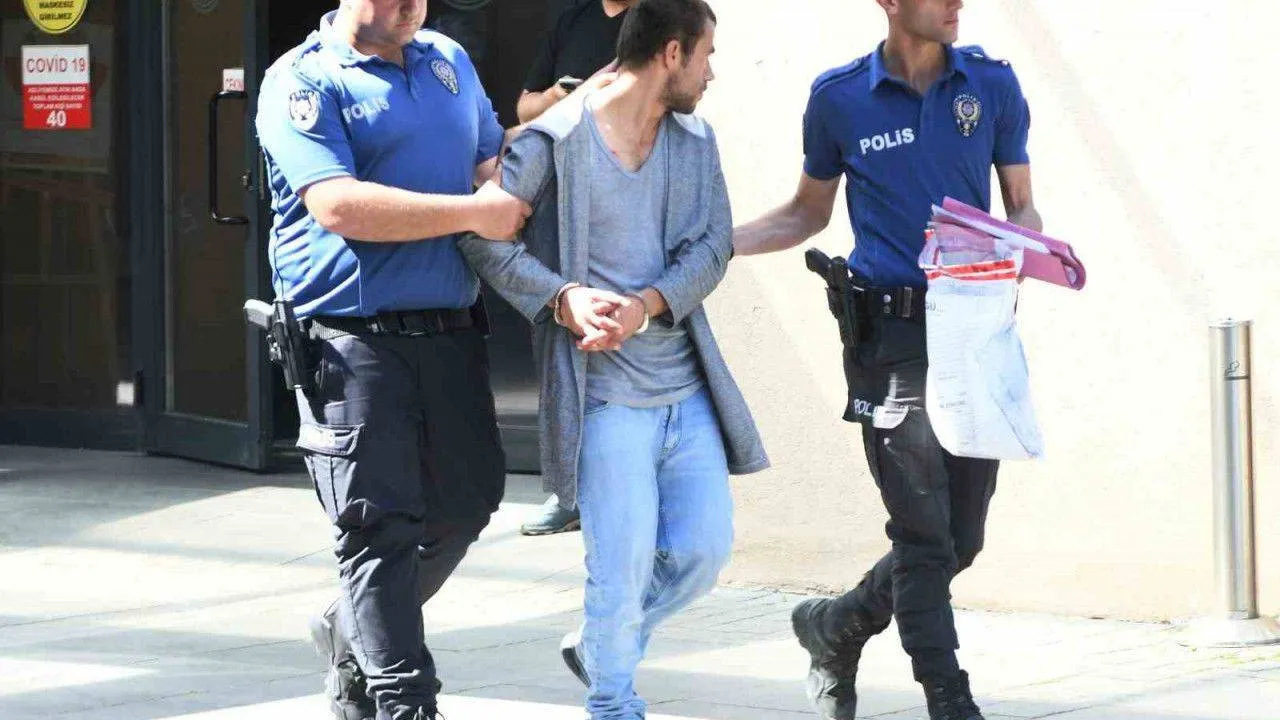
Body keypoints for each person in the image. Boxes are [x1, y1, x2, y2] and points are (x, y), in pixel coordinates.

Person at [732, 2, 1041, 719]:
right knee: (922, 535)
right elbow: (806, 212)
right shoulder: (839, 98)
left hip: (971, 331)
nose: (957, 3)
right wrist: (720, 242)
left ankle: (836, 625)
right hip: (890, 338)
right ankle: (948, 697)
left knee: (959, 538)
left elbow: (1022, 206)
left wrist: (1023, 248)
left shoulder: (991, 85)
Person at [459, 2, 768, 717]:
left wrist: (648, 304)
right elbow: (481, 236)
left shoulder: (695, 141)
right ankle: (612, 698)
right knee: (619, 567)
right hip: (601, 394)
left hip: (684, 386)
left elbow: (713, 246)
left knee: (701, 554)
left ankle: (602, 644)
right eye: (706, 55)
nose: (712, 73)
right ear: (670, 53)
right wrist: (561, 297)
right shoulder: (554, 141)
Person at [254, 2, 530, 719]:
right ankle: (403, 701)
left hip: (449, 331)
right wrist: (472, 211)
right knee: (379, 528)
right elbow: (340, 205)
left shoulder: (446, 59)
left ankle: (351, 627)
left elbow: (490, 163)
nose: (412, 5)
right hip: (351, 341)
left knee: (466, 505)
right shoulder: (303, 79)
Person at [515, 0, 634, 535]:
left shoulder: (660, 14)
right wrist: (561, 97)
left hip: (626, 193)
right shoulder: (573, 19)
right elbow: (525, 108)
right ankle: (568, 491)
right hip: (559, 195)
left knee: (621, 341)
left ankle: (620, 486)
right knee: (558, 339)